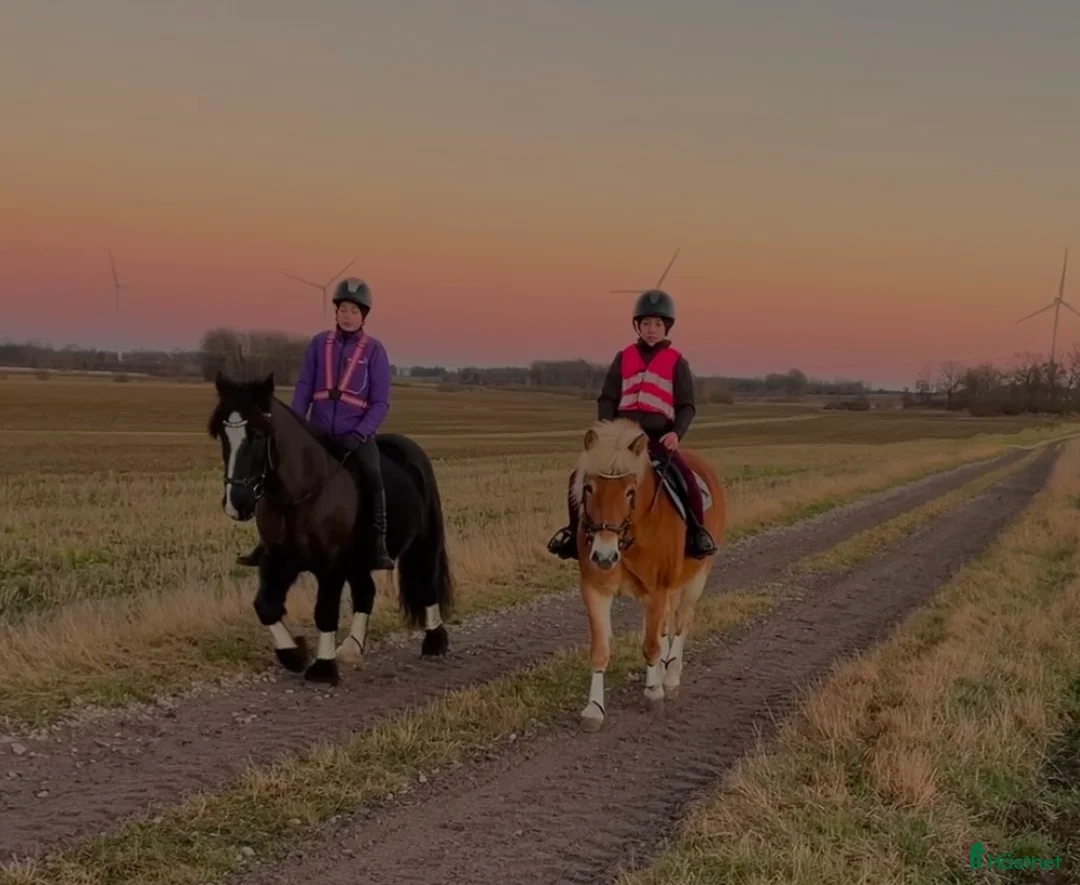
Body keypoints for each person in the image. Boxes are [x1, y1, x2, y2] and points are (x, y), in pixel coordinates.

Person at [546, 288, 718, 560]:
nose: (651, 329)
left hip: (657, 437)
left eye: (658, 324)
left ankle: (697, 533)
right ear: (637, 326)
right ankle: (573, 533)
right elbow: (608, 397)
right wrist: (605, 432)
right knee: (579, 477)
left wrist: (676, 433)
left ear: (667, 327)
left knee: (686, 478)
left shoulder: (677, 362)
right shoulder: (623, 357)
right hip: (620, 439)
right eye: (646, 323)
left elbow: (686, 406)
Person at [236, 277, 395, 570]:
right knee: (276, 469)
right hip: (317, 433)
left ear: (364, 316)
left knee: (373, 476)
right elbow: (304, 387)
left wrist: (360, 434)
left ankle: (379, 542)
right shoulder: (319, 344)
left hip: (354, 435)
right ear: (335, 312)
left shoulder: (375, 351)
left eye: (354, 311)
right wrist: (295, 426)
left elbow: (380, 402)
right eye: (343, 309)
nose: (348, 316)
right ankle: (266, 541)